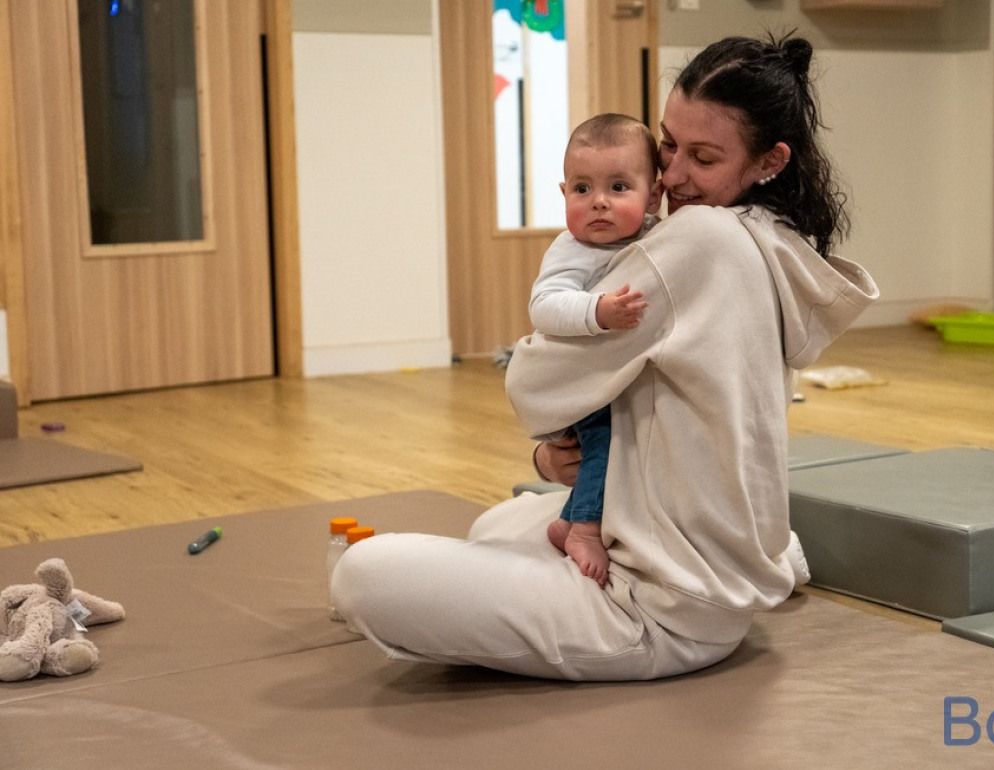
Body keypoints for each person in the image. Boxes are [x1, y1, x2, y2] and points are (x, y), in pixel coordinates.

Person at [332, 33, 879, 681]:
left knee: (361, 575)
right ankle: (768, 558)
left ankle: (679, 596)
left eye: (702, 157)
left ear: (769, 161)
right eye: (668, 145)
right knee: (502, 523)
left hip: (658, 609)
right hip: (708, 562)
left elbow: (535, 384)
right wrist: (556, 454)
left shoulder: (698, 239)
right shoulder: (773, 242)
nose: (671, 176)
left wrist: (554, 392)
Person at [529, 113, 662, 586]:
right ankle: (585, 528)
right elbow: (543, 306)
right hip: (581, 385)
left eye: (619, 187)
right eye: (582, 189)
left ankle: (568, 517)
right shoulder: (573, 250)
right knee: (607, 440)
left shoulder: (652, 238)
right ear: (563, 193)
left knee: (623, 444)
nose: (599, 203)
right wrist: (597, 311)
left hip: (614, 379)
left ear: (655, 198)